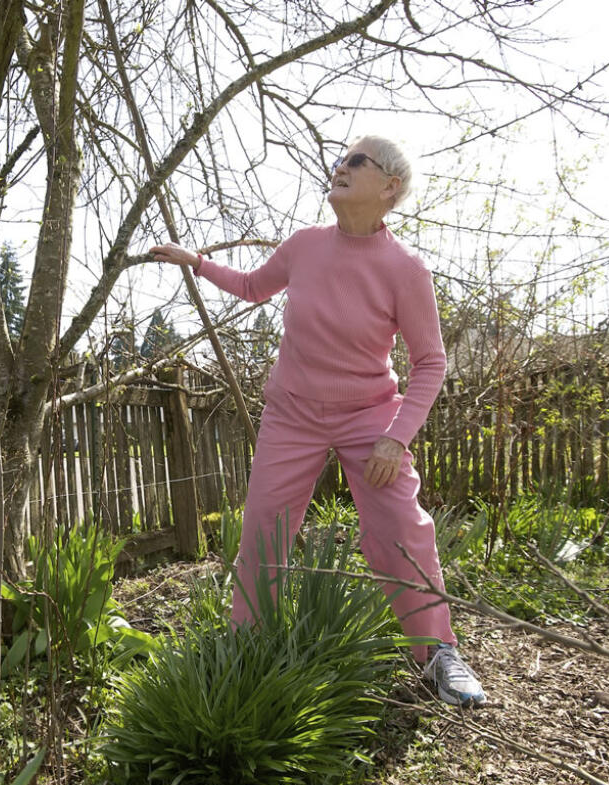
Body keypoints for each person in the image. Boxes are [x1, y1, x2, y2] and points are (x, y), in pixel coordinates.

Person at [149, 135, 486, 707]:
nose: (340, 168)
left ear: (389, 187)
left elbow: (431, 362)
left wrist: (395, 436)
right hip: (292, 416)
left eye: (356, 161)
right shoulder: (304, 245)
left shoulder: (405, 269)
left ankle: (436, 654)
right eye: (339, 161)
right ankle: (246, 645)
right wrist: (198, 263)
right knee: (264, 529)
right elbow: (256, 288)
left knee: (404, 528)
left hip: (370, 418)